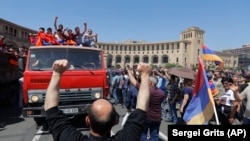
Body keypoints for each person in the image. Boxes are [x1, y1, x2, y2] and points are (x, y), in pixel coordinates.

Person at [44, 59, 152, 141]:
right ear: (115, 121)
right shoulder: (128, 137)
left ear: (87, 120)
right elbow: (141, 108)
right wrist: (145, 76)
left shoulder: (69, 137)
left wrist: (56, 74)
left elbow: (50, 108)